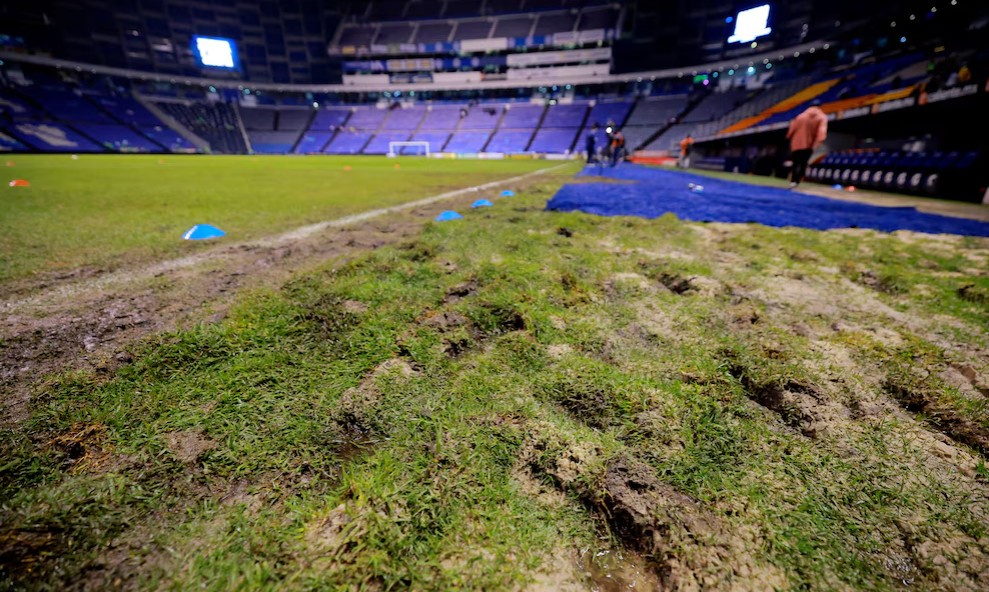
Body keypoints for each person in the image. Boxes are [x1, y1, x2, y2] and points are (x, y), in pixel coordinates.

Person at [786, 101, 828, 188]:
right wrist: (820, 140)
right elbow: (822, 131)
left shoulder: (801, 116)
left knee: (795, 163)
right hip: (809, 145)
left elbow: (792, 128)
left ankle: (793, 181)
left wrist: (788, 136)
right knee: (803, 164)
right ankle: (797, 181)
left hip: (796, 144)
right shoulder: (822, 117)